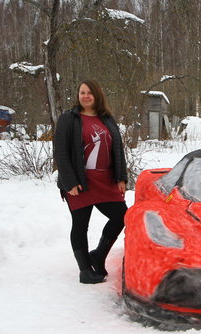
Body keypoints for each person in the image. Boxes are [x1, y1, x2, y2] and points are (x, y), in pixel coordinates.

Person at [54, 79, 128, 284]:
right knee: (80, 224)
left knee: (122, 216)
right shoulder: (69, 119)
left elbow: (118, 150)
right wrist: (69, 182)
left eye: (89, 93)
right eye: (82, 92)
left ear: (97, 95)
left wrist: (121, 177)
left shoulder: (107, 119)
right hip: (80, 183)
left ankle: (98, 255)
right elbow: (60, 152)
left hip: (106, 182)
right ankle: (85, 270)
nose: (85, 96)